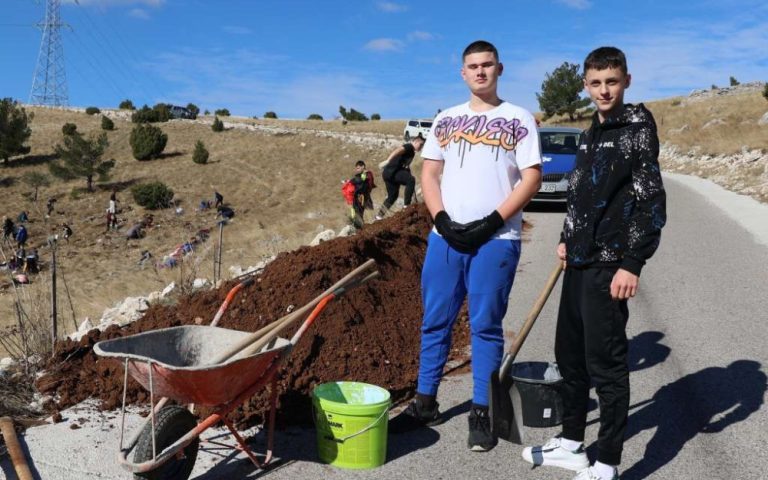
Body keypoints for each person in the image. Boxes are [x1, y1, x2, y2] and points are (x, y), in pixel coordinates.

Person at [521, 46, 667, 480]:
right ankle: (570, 443)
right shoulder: (589, 133)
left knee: (607, 366)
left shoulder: (636, 130)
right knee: (570, 357)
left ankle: (607, 463)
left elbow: (651, 202)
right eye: (596, 83)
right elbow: (581, 196)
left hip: (610, 265)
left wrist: (633, 262)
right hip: (578, 262)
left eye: (612, 82)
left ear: (626, 81)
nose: (604, 90)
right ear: (586, 85)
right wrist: (566, 239)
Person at [389, 40, 542, 452]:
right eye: (472, 66)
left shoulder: (519, 118)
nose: (480, 72)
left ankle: (482, 410)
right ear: (462, 73)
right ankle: (424, 402)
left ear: (499, 68)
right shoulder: (446, 120)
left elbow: (531, 178)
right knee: (435, 320)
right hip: (446, 238)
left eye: (487, 65)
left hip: (496, 239)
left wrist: (493, 220)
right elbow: (430, 176)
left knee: (485, 326)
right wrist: (440, 219)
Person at [375, 136, 425, 220]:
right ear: (416, 142)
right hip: (392, 171)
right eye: (421, 145)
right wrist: (388, 160)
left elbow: (405, 167)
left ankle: (378, 216)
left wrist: (411, 187)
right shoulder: (409, 147)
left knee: (392, 196)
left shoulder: (412, 152)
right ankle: (406, 208)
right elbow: (398, 150)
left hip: (388, 174)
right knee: (411, 179)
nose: (421, 147)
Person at [342, 160, 376, 229]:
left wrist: (350, 181)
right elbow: (358, 180)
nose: (356, 170)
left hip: (361, 197)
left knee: (358, 212)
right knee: (356, 212)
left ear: (363, 166)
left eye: (358, 168)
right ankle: (356, 225)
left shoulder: (366, 175)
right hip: (359, 197)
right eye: (356, 168)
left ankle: (358, 227)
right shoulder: (365, 175)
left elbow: (359, 181)